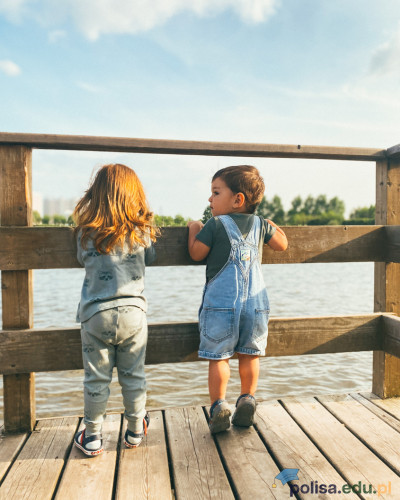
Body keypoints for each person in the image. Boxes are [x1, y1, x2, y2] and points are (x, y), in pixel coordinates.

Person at [187, 165, 287, 433]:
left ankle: (219, 405)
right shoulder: (261, 224)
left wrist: (194, 228)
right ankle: (247, 398)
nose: (210, 199)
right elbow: (282, 244)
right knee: (249, 355)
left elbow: (196, 253)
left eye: (215, 192)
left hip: (221, 306)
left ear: (237, 200)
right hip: (255, 307)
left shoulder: (215, 225)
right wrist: (271, 225)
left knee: (218, 357)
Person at [73, 164, 157, 456]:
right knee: (133, 376)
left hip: (96, 315)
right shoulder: (141, 232)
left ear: (96, 196)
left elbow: (81, 258)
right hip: (134, 313)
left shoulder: (86, 233)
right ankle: (135, 430)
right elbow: (153, 256)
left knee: (96, 378)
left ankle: (93, 435)